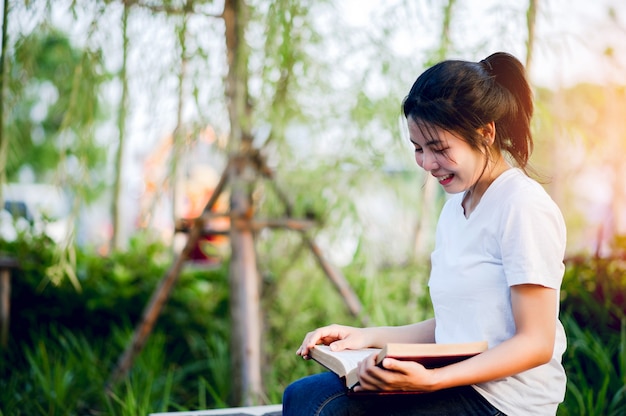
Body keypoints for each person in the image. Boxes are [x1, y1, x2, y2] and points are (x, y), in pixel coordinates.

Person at [281, 52, 567, 416]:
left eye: (439, 148)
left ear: (485, 133)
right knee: (304, 396)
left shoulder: (522, 207)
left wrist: (430, 381)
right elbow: (458, 326)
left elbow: (536, 343)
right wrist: (366, 337)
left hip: (501, 401)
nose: (428, 164)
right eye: (418, 149)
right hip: (455, 379)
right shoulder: (456, 207)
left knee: (326, 410)